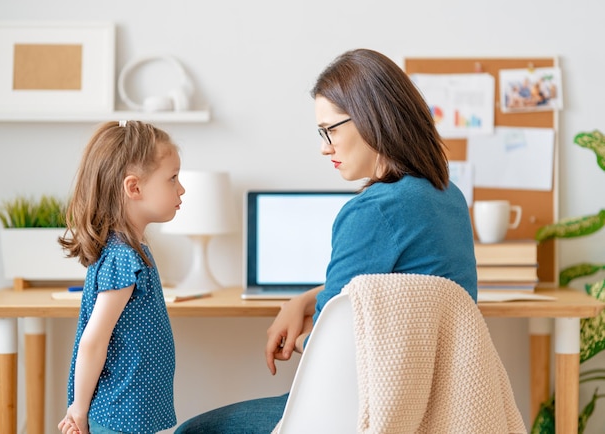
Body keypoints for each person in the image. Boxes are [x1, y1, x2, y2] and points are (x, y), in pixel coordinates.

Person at [175, 48, 477, 434]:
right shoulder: (448, 195)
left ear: (372, 118)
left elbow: (327, 349)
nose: (324, 146)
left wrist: (301, 336)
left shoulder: (371, 211)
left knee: (191, 432)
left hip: (363, 410)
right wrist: (302, 300)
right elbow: (391, 292)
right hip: (431, 405)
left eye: (330, 129)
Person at [57, 120, 185, 434]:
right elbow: (93, 341)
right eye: (172, 178)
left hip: (130, 411)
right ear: (134, 187)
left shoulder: (130, 249)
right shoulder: (123, 257)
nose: (181, 188)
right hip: (120, 414)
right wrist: (79, 410)